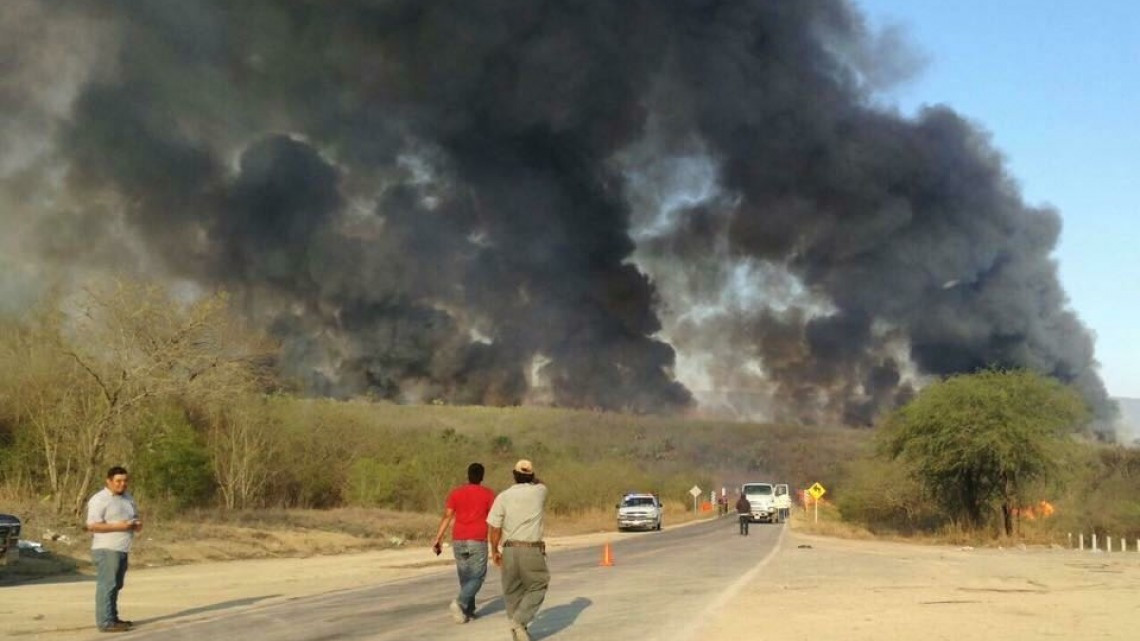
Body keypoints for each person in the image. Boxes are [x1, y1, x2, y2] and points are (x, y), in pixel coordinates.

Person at [487, 459, 549, 641]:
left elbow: (495, 528)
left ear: (514, 476)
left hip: (509, 549)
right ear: (532, 476)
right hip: (531, 549)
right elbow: (542, 482)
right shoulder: (540, 492)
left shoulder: (503, 496)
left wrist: (494, 551)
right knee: (538, 584)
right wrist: (533, 478)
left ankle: (518, 632)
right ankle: (519, 622)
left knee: (512, 591)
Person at [431, 462, 496, 624]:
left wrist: (438, 538)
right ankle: (460, 603)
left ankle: (468, 610)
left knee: (466, 576)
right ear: (482, 476)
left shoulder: (456, 493)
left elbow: (447, 516)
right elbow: (495, 519)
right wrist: (498, 542)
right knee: (478, 576)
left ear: (468, 475)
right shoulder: (488, 494)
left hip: (458, 539)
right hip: (477, 539)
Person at [86, 466, 142, 633]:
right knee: (107, 585)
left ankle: (113, 617)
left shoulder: (128, 498)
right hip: (107, 548)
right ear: (109, 481)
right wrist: (119, 526)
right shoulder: (99, 499)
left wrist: (135, 525)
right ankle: (105, 622)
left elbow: (132, 518)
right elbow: (92, 526)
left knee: (116, 585)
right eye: (118, 481)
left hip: (122, 548)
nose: (122, 484)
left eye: (125, 481)